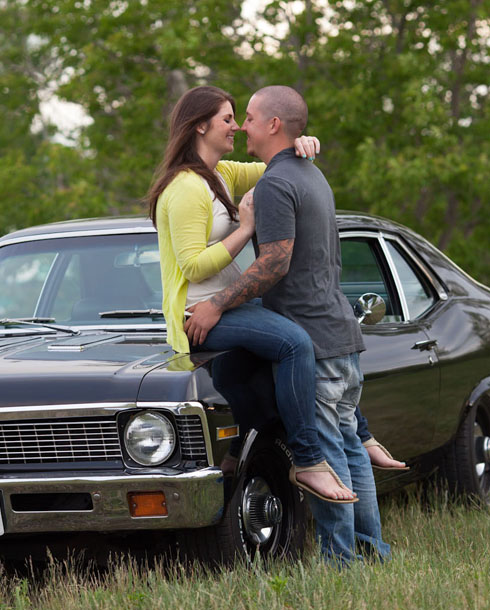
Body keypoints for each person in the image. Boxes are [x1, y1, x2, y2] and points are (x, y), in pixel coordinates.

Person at [184, 85, 391, 563]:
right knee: (350, 448)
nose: (242, 126)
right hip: (340, 334)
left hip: (312, 338)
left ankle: (341, 560)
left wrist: (216, 304)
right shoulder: (310, 174)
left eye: (250, 117)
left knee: (325, 455)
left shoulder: (276, 185)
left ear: (274, 125)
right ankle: (371, 550)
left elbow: (275, 262)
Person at [147, 85, 356, 503]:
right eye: (227, 119)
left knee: (301, 324)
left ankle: (356, 433)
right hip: (198, 313)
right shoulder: (186, 187)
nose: (237, 127)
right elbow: (192, 266)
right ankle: (309, 460)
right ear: (201, 125)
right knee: (295, 342)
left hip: (224, 308)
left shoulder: (220, 175)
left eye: (240, 118)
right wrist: (245, 229)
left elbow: (276, 169)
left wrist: (303, 145)